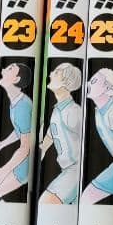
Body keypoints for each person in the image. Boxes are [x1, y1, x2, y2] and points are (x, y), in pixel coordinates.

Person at [39, 62, 82, 205]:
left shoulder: (73, 111)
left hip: (75, 172)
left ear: (66, 82)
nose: (51, 74)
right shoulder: (57, 110)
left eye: (56, 72)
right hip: (67, 171)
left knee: (46, 204)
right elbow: (49, 136)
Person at [81, 68, 113, 204]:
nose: (88, 84)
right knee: (86, 198)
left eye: (93, 81)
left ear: (106, 87)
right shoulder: (99, 110)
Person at [0, 62, 33, 199]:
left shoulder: (22, 106)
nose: (3, 69)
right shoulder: (16, 101)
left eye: (10, 68)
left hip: (24, 164)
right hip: (21, 159)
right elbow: (20, 130)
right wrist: (2, 144)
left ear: (16, 79)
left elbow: (25, 147)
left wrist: (3, 171)